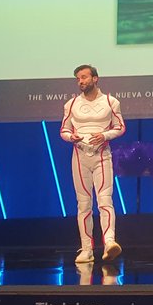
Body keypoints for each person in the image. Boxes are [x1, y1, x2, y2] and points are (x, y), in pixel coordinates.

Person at [60, 64, 126, 263]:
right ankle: (87, 249)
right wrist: (72, 137)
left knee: (105, 200)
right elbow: (63, 130)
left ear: (95, 78)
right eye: (78, 78)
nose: (80, 81)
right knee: (84, 204)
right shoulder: (71, 104)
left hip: (101, 155)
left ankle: (109, 243)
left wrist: (104, 135)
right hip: (80, 157)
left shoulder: (110, 102)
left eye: (84, 77)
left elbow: (120, 127)